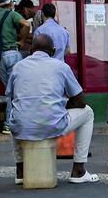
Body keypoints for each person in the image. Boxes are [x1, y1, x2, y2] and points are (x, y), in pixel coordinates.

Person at [6, 33, 100, 184]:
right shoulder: (61, 67)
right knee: (88, 113)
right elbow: (80, 101)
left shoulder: (18, 67)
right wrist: (62, 106)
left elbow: (12, 98)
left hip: (23, 128)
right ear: (54, 50)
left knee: (17, 115)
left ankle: (21, 171)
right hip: (51, 125)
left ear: (31, 50)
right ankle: (79, 170)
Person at [0, 0, 35, 91]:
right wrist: (23, 40)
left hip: (4, 55)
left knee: (11, 88)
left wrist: (25, 39)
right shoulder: (15, 16)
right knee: (16, 87)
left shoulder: (15, 16)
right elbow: (24, 30)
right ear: (25, 9)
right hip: (13, 54)